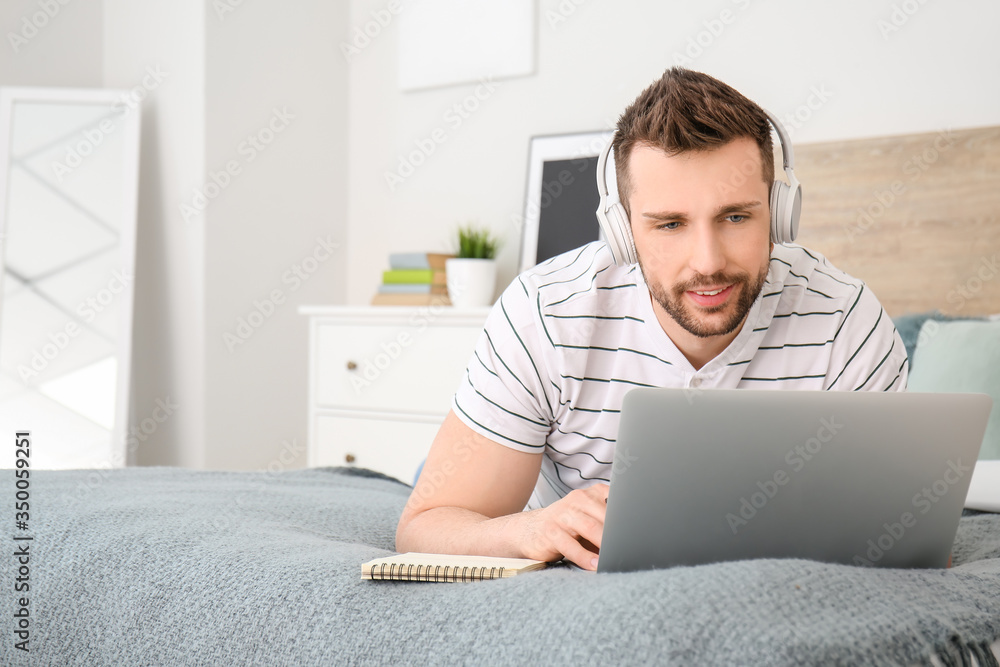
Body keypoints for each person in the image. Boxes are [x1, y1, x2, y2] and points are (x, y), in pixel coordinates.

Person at [395, 67, 909, 571]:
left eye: (735, 216)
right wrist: (531, 529)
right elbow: (425, 527)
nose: (707, 261)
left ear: (779, 214)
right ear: (621, 232)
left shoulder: (846, 320)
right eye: (669, 224)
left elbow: (906, 537)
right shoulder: (545, 315)